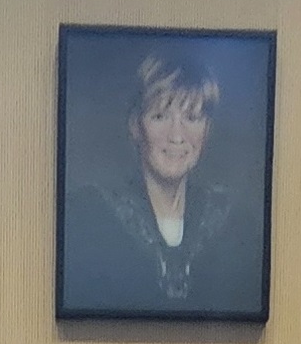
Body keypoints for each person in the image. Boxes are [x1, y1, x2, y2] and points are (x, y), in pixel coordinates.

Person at [61, 50, 263, 316]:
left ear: (207, 129)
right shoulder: (89, 216)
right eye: (160, 116)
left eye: (192, 118)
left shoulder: (238, 226)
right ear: (135, 126)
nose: (177, 136)